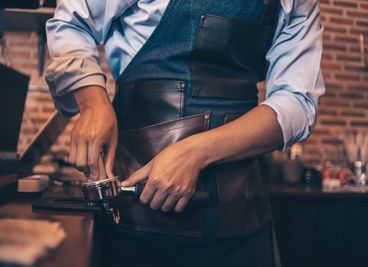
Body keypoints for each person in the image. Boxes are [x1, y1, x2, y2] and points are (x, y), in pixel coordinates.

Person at [45, 0, 325, 266]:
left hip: (240, 222)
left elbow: (297, 103)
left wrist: (196, 152)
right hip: (136, 221)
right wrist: (93, 103)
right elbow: (72, 21)